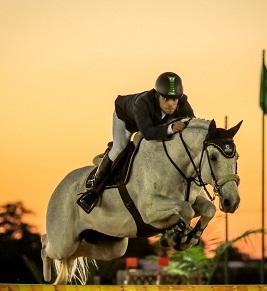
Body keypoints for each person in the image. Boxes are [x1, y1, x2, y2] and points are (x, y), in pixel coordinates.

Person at [77, 72, 195, 213]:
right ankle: (94, 189)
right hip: (126, 120)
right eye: (166, 99)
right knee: (120, 147)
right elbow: (148, 133)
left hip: (153, 125)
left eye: (175, 99)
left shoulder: (183, 104)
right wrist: (170, 128)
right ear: (157, 95)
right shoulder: (142, 103)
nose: (171, 104)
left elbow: (191, 124)